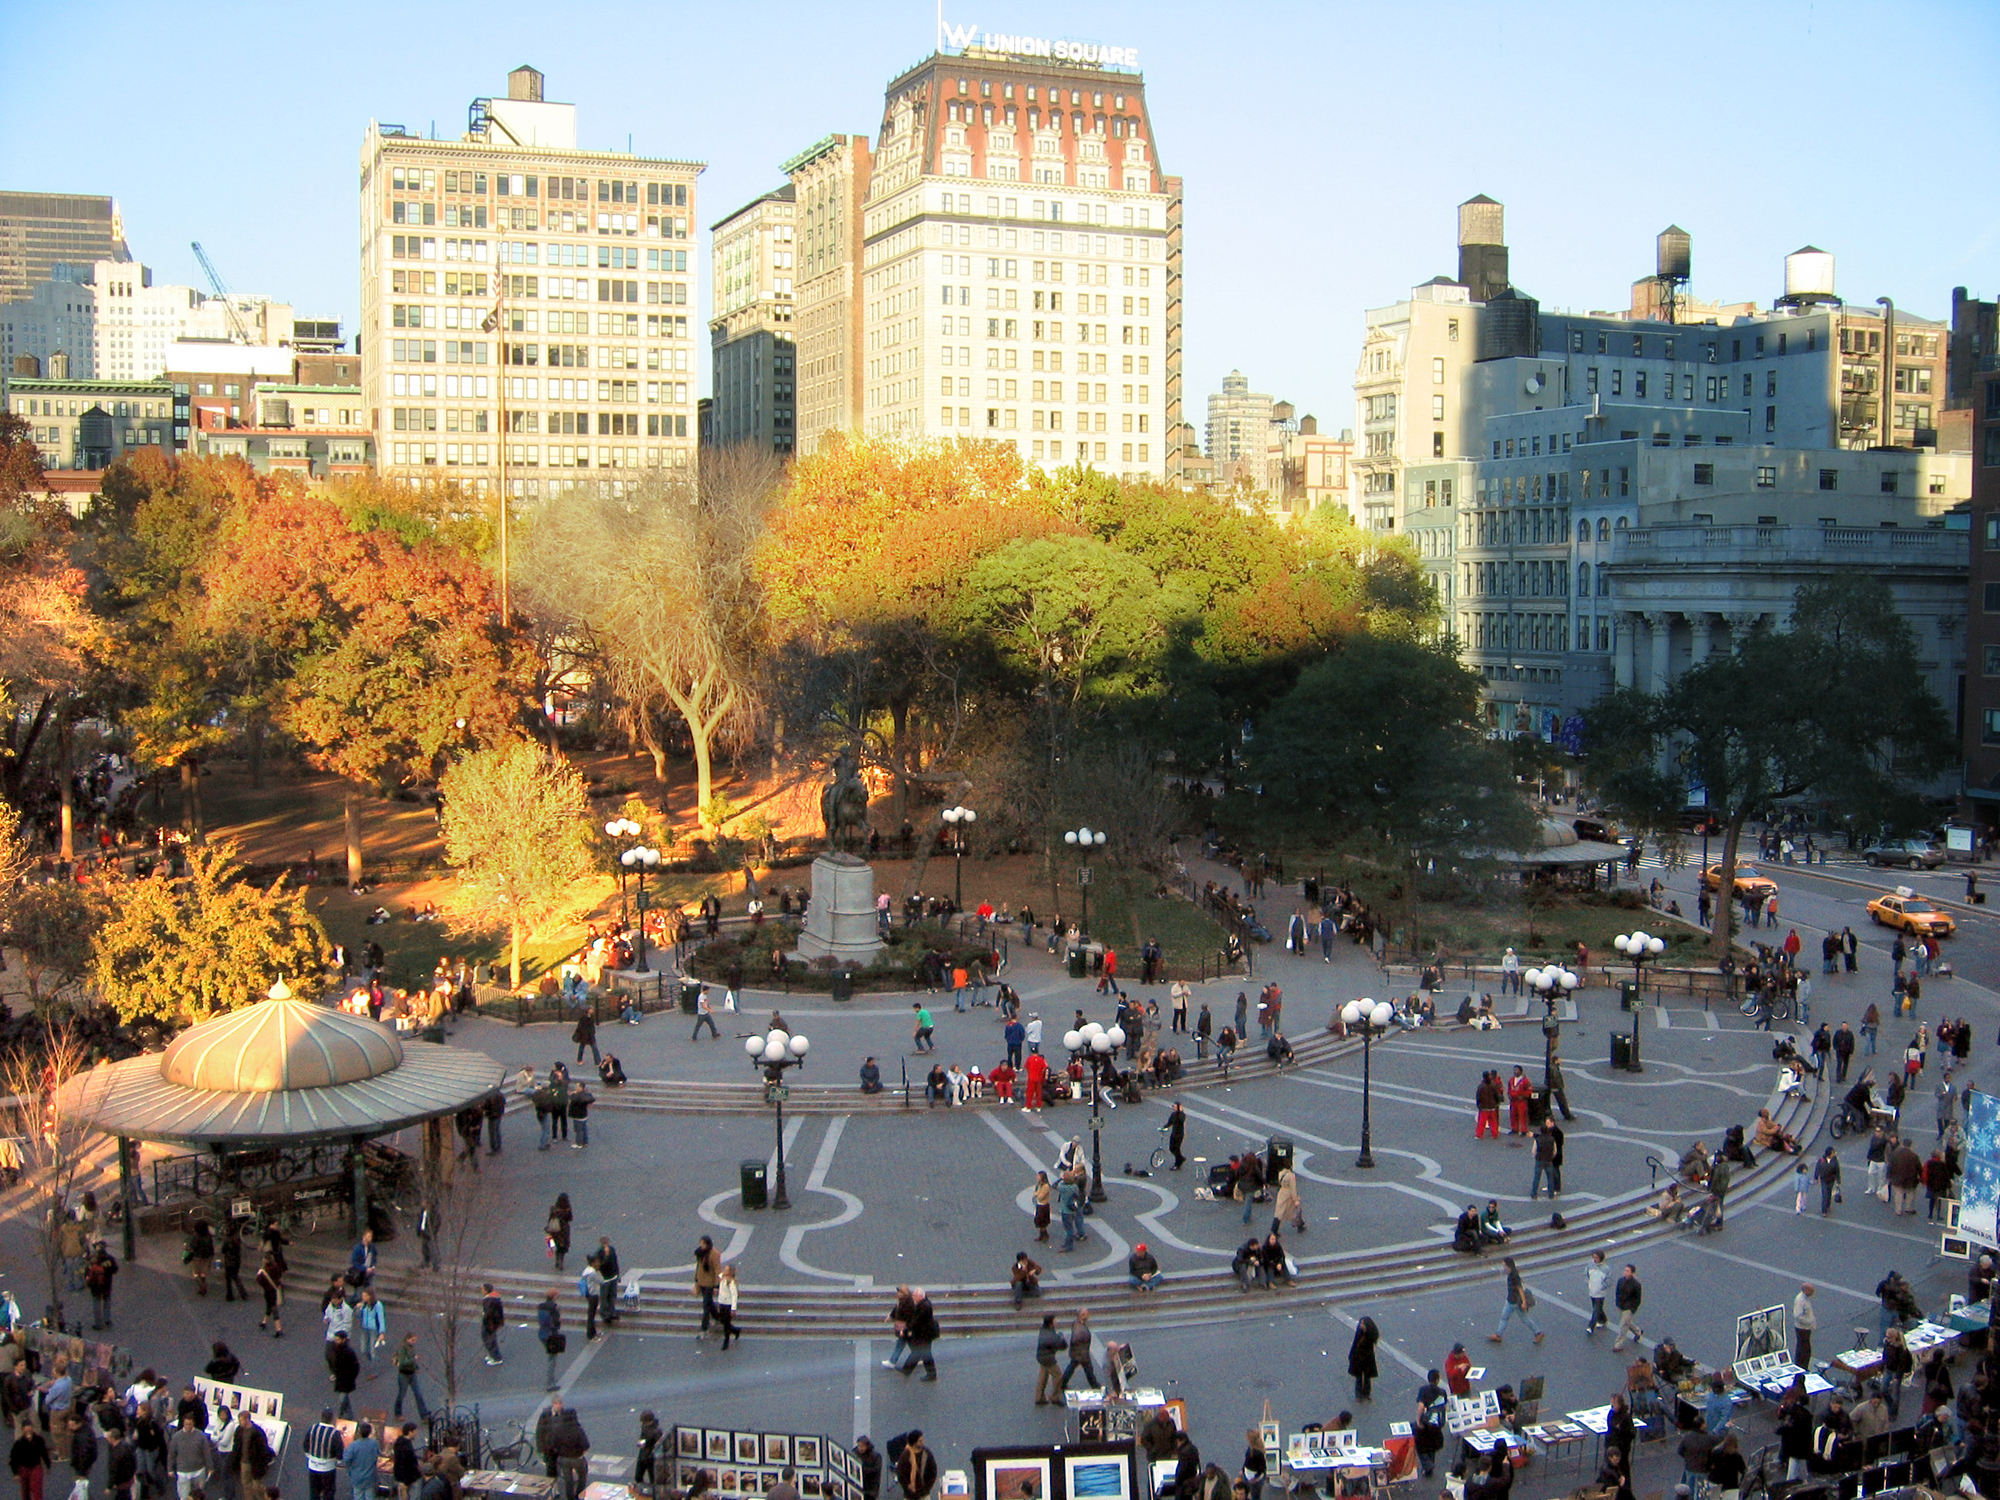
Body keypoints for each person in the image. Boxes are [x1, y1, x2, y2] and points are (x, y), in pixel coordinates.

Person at [1490, 1257, 1543, 1344]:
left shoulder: (1514, 1275)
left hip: (1515, 1302)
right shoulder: (1511, 1273)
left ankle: (1538, 1333)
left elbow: (1520, 1289)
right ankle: (1498, 1334)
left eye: (1504, 1266)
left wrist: (1523, 1302)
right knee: (1504, 1317)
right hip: (1510, 1300)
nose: (1503, 1268)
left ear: (1508, 1266)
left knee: (1525, 1319)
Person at [303, 1409, 345, 1500]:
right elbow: (339, 1450)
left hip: (313, 1466)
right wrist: (338, 1460)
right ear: (331, 1419)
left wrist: (309, 1455)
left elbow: (305, 1444)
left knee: (314, 1492)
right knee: (328, 1492)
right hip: (328, 1468)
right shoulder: (334, 1433)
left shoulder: (313, 1428)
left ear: (321, 1417)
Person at [392, 1333, 430, 1420]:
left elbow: (412, 1360)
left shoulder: (411, 1348)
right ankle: (398, 1413)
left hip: (412, 1373)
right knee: (401, 1394)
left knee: (418, 1394)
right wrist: (414, 1359)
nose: (414, 1342)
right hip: (403, 1374)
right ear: (407, 1339)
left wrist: (416, 1368)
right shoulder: (402, 1349)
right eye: (413, 1340)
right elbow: (403, 1362)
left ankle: (424, 1414)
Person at [1060, 1309, 1099, 1390]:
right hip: (1081, 1353)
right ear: (1081, 1316)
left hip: (1079, 1352)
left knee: (1073, 1368)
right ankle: (1095, 1386)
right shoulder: (1080, 1328)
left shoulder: (1077, 1323)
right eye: (1085, 1314)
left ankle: (1062, 1383)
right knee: (1088, 1370)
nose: (1088, 1315)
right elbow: (1075, 1338)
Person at [326, 1331, 360, 1419]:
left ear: (343, 1340)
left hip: (345, 1380)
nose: (335, 1341)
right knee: (344, 1400)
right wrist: (333, 1372)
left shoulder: (348, 1352)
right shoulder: (335, 1349)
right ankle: (346, 1416)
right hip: (341, 1379)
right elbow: (331, 1361)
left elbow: (355, 1367)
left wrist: (350, 1377)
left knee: (342, 1399)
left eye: (337, 1339)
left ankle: (342, 1417)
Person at [1611, 1263, 1644, 1352]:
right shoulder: (1620, 1281)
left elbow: (1638, 1299)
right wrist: (1618, 1303)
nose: (1625, 1272)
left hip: (1629, 1308)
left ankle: (1618, 1345)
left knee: (1623, 1325)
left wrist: (1632, 1309)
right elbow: (1617, 1293)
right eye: (1625, 1270)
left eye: (1627, 1271)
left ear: (1632, 1273)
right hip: (1621, 1306)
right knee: (1627, 1322)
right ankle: (1637, 1331)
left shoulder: (1636, 1284)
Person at [1033, 1314, 1065, 1405]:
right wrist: (1061, 1338)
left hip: (1041, 1356)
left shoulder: (1044, 1330)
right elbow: (1061, 1345)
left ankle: (1039, 1397)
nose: (1056, 1322)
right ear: (1051, 1323)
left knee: (1043, 1376)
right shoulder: (1050, 1335)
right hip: (1048, 1358)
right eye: (1055, 1321)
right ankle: (1054, 1396)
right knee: (1058, 1375)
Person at [893, 1433, 936, 1500]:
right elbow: (900, 1474)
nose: (922, 1442)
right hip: (909, 1496)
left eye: (922, 1440)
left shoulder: (926, 1453)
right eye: (920, 1441)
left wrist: (926, 1488)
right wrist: (908, 1486)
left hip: (924, 1495)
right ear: (914, 1442)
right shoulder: (905, 1456)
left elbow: (933, 1471)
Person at [1348, 1316, 1380, 1401]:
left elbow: (1372, 1340)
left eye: (1362, 1323)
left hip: (1367, 1357)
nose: (1361, 1325)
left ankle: (1366, 1394)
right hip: (1358, 1357)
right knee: (1358, 1377)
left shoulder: (1370, 1334)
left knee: (1367, 1377)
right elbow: (1355, 1343)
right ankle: (1359, 1395)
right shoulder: (1360, 1332)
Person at [538, 1288, 564, 1392]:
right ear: (554, 1296)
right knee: (552, 1359)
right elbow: (556, 1323)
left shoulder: (541, 1307)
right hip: (551, 1335)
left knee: (551, 1358)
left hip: (542, 1334)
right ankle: (550, 1383)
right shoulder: (554, 1308)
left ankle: (551, 1381)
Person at [715, 1265, 742, 1351]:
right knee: (722, 1321)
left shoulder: (731, 1282)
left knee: (726, 1324)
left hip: (728, 1305)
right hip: (721, 1303)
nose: (724, 1271)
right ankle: (735, 1330)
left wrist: (733, 1309)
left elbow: (734, 1295)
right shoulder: (722, 1279)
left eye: (726, 1270)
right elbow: (718, 1275)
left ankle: (726, 1342)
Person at [1793, 1284, 1817, 1369]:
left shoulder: (1805, 1299)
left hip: (1806, 1328)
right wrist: (1809, 1322)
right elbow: (1797, 1316)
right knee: (1804, 1350)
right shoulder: (1801, 1300)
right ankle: (1801, 1366)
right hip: (1802, 1329)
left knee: (1804, 1349)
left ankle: (1802, 1366)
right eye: (1811, 1291)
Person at [480, 1283, 505, 1366]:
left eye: (482, 1289)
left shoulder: (488, 1300)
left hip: (489, 1323)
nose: (481, 1291)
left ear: (486, 1290)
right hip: (494, 1323)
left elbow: (488, 1313)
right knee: (490, 1339)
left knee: (489, 1339)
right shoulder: (495, 1298)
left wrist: (485, 1320)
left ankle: (496, 1357)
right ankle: (492, 1355)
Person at [1585, 1250, 1610, 1334]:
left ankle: (1591, 1326)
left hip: (1600, 1293)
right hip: (1592, 1291)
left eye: (1596, 1257)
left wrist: (1601, 1288)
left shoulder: (1606, 1269)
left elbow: (1609, 1281)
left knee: (1596, 1310)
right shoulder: (1590, 1265)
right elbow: (1586, 1274)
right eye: (1594, 1257)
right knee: (1598, 1308)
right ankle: (1603, 1320)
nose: (1595, 1259)